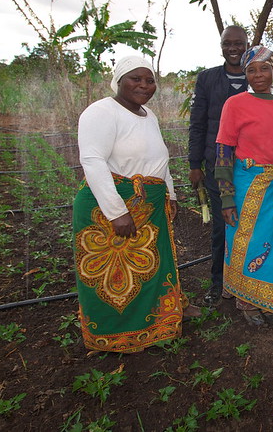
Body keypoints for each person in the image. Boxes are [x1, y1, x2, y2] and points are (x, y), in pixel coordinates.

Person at [73, 55, 200, 353]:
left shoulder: (148, 115)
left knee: (154, 266)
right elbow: (92, 161)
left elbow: (159, 159)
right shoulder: (101, 112)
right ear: (118, 80)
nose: (144, 85)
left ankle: (160, 319)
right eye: (136, 78)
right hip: (113, 205)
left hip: (149, 203)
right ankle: (117, 334)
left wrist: (170, 195)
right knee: (114, 277)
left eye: (150, 80)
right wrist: (117, 212)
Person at [214, 46, 273, 326]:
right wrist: (226, 198)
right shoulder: (234, 104)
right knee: (244, 240)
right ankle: (246, 300)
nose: (258, 74)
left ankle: (270, 297)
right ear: (245, 73)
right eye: (251, 69)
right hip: (248, 183)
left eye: (264, 68)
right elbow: (224, 151)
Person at [189, 25, 249, 306]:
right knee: (220, 228)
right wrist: (194, 163)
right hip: (217, 167)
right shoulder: (207, 79)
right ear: (221, 45)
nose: (234, 48)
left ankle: (247, 283)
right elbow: (198, 123)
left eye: (239, 43)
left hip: (252, 169)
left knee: (250, 225)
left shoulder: (257, 77)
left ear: (247, 45)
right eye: (228, 43)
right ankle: (218, 283)